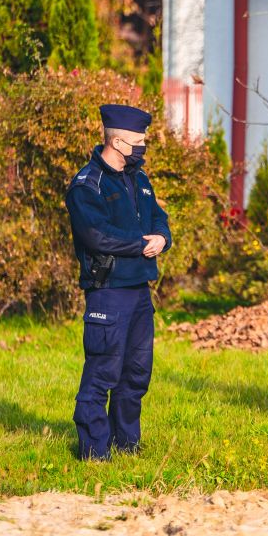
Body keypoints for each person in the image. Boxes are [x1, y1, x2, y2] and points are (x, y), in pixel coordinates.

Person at [65, 104, 171, 461]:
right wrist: (141, 244)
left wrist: (162, 237)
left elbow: (159, 217)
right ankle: (94, 450)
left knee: (136, 372)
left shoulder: (139, 178)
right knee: (103, 371)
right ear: (118, 141)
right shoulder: (87, 184)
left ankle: (126, 443)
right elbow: (96, 235)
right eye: (138, 141)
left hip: (140, 289)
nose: (143, 147)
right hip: (108, 291)